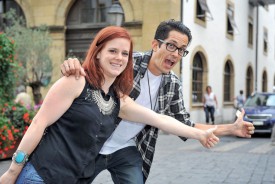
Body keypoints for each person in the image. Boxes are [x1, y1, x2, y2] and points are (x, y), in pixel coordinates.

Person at [0, 26, 219, 184]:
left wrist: (199, 134)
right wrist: (12, 171)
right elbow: (38, 123)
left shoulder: (118, 99)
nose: (119, 58)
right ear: (97, 54)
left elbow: (160, 119)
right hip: (40, 176)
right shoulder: (76, 81)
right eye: (112, 51)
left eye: (125, 53)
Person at [60, 20, 255, 183]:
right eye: (171, 45)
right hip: (93, 144)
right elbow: (95, 71)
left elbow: (186, 125)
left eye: (182, 50)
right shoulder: (128, 63)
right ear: (155, 45)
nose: (176, 54)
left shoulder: (172, 85)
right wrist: (74, 64)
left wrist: (231, 128)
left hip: (125, 149)